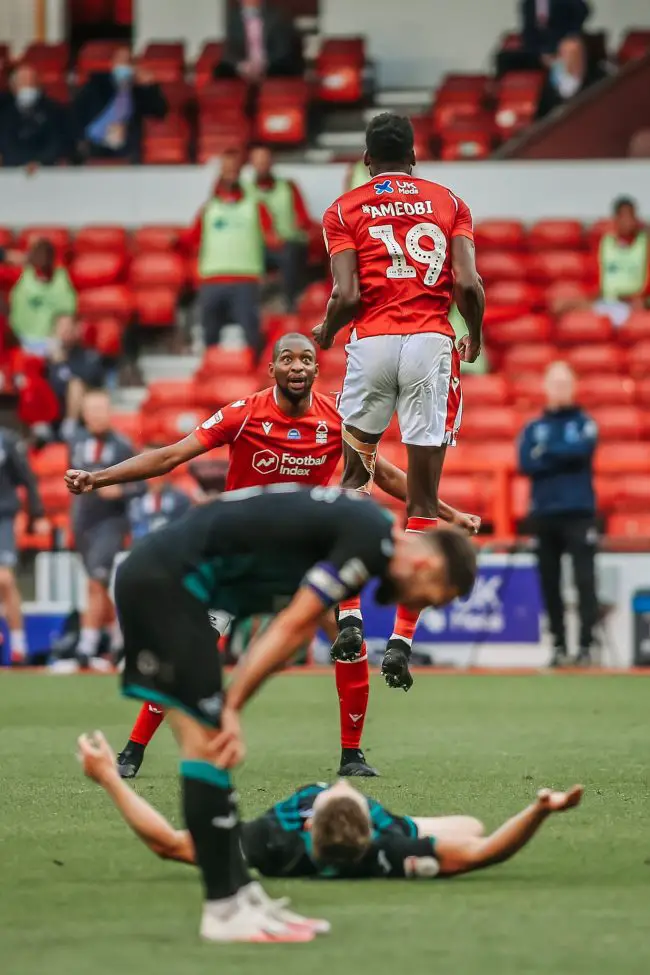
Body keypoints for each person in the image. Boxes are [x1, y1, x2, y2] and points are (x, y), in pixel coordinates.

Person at [73, 481, 476, 942]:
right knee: (206, 745)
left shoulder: (365, 531)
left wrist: (232, 703)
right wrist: (233, 706)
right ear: (428, 564)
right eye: (427, 596)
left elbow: (299, 630)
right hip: (169, 582)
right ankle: (224, 909)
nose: (415, 604)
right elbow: (293, 623)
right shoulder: (371, 539)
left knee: (213, 746)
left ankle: (239, 895)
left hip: (176, 581)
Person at [66, 332, 480, 780]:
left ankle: (352, 755)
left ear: (317, 370)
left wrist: (448, 511)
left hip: (307, 557)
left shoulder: (339, 416)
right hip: (236, 558)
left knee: (350, 641)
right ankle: (133, 749)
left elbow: (387, 475)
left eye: (306, 360)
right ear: (273, 369)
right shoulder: (244, 415)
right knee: (198, 648)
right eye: (288, 359)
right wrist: (99, 478)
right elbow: (170, 456)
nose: (298, 367)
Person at [314, 112, 484, 694]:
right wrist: (476, 335)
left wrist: (325, 332)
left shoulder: (344, 208)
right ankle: (403, 640)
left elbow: (348, 293)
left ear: (367, 159)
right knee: (422, 497)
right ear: (414, 156)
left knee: (352, 484)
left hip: (374, 344)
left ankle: (351, 617)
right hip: (432, 344)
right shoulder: (449, 201)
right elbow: (467, 285)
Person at [79, 730, 584, 882]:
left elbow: (168, 844)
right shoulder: (388, 850)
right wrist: (540, 809)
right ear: (370, 823)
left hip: (295, 841)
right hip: (393, 831)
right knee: (471, 826)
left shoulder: (268, 843)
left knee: (470, 830)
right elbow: (485, 852)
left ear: (311, 818)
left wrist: (107, 778)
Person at [518, 361, 599, 668]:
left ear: (574, 387)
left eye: (565, 383)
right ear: (546, 387)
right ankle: (560, 645)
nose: (560, 389)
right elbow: (526, 463)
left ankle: (587, 647)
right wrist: (562, 452)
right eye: (555, 383)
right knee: (549, 583)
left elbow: (581, 451)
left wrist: (547, 452)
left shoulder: (584, 422)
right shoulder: (533, 428)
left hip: (579, 513)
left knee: (585, 580)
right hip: (544, 513)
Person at [61, 391, 142, 672]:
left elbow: (143, 482)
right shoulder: (76, 442)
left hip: (112, 523)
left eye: (101, 410)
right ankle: (120, 640)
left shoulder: (122, 445)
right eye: (91, 410)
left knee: (96, 582)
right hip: (84, 522)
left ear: (110, 413)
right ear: (84, 414)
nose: (96, 415)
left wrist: (121, 489)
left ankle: (86, 646)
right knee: (98, 584)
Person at [183, 150, 277, 359]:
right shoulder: (208, 209)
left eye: (233, 169)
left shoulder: (256, 207)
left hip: (246, 281)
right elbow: (190, 240)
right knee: (210, 337)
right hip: (211, 281)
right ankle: (212, 376)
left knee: (252, 336)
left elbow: (273, 239)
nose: (229, 173)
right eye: (226, 169)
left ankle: (259, 380)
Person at [0, 427, 49, 664]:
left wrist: (37, 513)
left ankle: (19, 645)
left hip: (2, 517)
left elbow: (26, 477)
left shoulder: (6, 440)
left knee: (5, 579)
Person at [73, 45, 166, 162]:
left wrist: (151, 87)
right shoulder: (96, 83)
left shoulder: (138, 90)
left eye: (128, 61)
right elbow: (77, 112)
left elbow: (159, 112)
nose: (124, 64)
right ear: (113, 63)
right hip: (93, 143)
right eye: (120, 60)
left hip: (125, 145)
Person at [247, 145, 311, 311]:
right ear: (252, 164)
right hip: (256, 246)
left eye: (265, 161)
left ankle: (290, 304)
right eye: (258, 161)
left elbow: (303, 217)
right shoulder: (245, 191)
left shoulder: (288, 187)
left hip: (287, 243)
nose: (262, 165)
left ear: (272, 162)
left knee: (290, 253)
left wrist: (301, 227)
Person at [9, 239, 77, 354]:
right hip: (23, 339)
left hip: (52, 342)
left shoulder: (61, 278)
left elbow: (68, 311)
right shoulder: (24, 276)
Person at [47, 314, 105, 440]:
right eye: (61, 327)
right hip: (52, 408)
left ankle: (70, 427)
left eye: (68, 327)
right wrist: (53, 361)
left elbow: (91, 380)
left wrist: (62, 363)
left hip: (79, 413)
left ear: (77, 329)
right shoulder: (46, 358)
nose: (65, 331)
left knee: (75, 385)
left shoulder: (88, 356)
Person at [218, 0, 304, 82]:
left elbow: (282, 49)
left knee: (283, 67)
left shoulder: (277, 16)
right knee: (222, 70)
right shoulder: (233, 19)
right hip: (245, 65)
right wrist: (242, 66)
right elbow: (230, 50)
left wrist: (263, 65)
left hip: (272, 64)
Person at [594, 197, 650, 324]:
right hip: (606, 301)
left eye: (631, 216)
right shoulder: (604, 242)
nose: (628, 221)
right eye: (623, 216)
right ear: (616, 219)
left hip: (633, 303)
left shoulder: (645, 243)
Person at [0, 64, 65, 170]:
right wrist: (21, 163)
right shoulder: (4, 112)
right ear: (13, 86)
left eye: (31, 82)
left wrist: (38, 162)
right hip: (12, 169)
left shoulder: (53, 110)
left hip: (46, 169)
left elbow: (55, 140)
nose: (28, 85)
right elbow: (5, 141)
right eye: (23, 81)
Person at [535, 35, 606, 120]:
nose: (565, 58)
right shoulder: (553, 78)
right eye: (563, 53)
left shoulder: (598, 77)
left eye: (572, 54)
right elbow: (542, 113)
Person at [521, 0, 590, 61]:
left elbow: (581, 12)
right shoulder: (528, 3)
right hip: (537, 53)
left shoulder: (567, 2)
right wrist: (541, 54)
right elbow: (528, 33)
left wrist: (568, 41)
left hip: (563, 48)